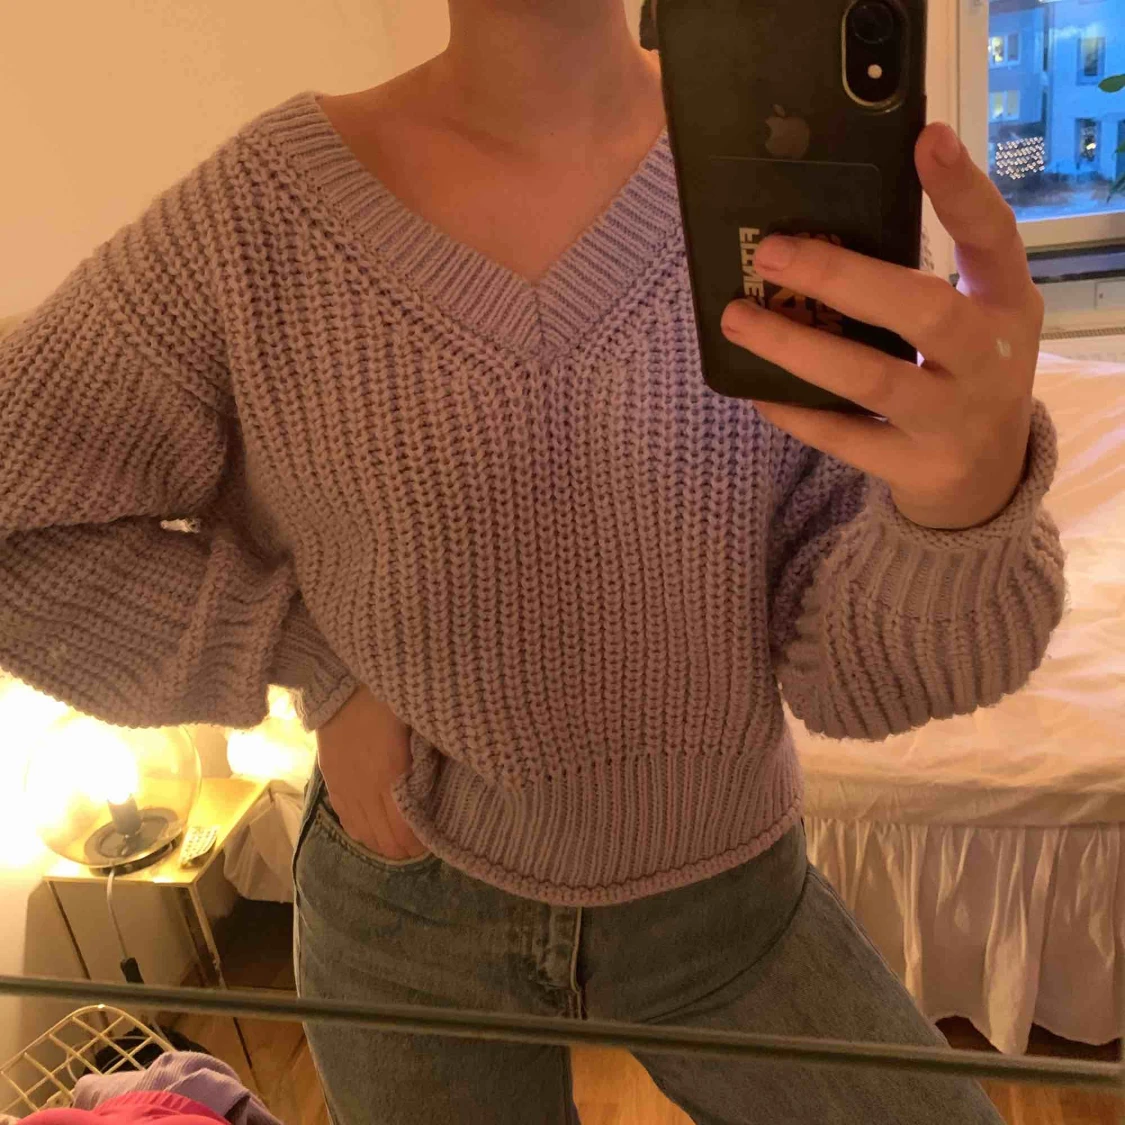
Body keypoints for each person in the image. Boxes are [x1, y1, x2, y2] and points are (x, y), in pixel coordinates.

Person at [0, 1, 1064, 1122]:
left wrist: (961, 511)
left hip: (732, 903)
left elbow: (850, 678)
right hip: (408, 906)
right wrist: (307, 654)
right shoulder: (254, 223)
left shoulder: (799, 190)